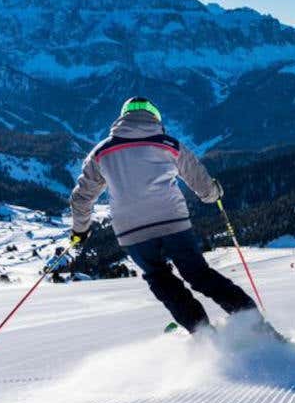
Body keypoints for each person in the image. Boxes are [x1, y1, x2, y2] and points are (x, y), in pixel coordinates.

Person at [69, 97, 264, 335]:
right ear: (155, 117)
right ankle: (256, 325)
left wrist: (80, 231)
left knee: (160, 279)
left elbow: (81, 198)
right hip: (173, 222)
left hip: (131, 231)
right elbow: (202, 185)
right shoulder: (169, 144)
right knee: (199, 274)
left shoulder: (101, 152)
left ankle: (204, 334)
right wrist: (215, 193)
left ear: (122, 118)